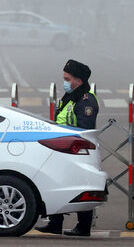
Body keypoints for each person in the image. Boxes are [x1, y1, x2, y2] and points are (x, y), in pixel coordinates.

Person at [37, 59, 99, 237]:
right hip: (62, 148)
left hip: (77, 150)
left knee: (81, 186)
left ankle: (83, 227)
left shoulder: (86, 100)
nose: (64, 81)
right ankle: (55, 223)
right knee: (57, 184)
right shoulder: (71, 97)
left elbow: (84, 129)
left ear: (78, 81)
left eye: (67, 78)